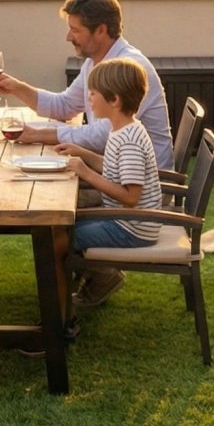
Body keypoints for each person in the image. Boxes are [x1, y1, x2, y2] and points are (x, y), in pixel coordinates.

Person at [0, 0, 173, 170]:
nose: (68, 37)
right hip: (112, 171)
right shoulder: (95, 63)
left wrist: (38, 134)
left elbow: (102, 135)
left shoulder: (129, 69)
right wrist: (16, 88)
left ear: (101, 30)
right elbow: (65, 106)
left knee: (36, 185)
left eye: (75, 30)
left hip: (141, 187)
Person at [59, 58, 163, 307]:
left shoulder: (129, 140)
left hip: (133, 227)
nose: (89, 99)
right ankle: (90, 278)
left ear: (114, 100)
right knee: (65, 223)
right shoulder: (122, 129)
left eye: (92, 94)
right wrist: (83, 153)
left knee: (64, 238)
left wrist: (86, 172)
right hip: (123, 219)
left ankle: (103, 279)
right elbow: (114, 168)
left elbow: (130, 197)